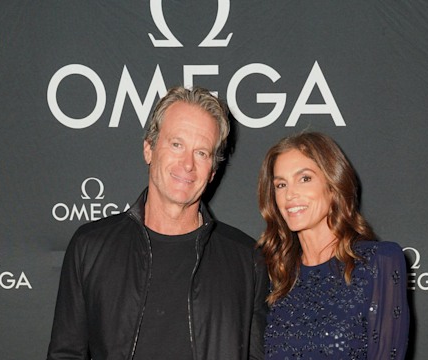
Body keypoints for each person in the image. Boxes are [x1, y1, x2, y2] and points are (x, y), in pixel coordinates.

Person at [47, 86, 269, 360]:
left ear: (212, 170)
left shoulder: (247, 259)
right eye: (176, 145)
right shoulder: (91, 247)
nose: (187, 164)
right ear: (149, 149)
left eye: (201, 153)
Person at [257, 132, 409, 359]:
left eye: (305, 179)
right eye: (280, 184)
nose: (290, 194)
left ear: (333, 184)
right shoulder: (275, 273)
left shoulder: (377, 261)